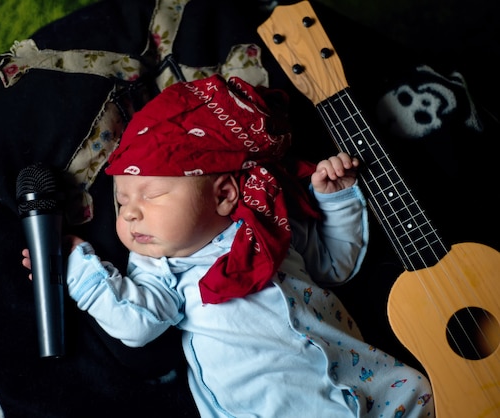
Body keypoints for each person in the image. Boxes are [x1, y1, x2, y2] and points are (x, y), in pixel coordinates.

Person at [22, 74, 434, 417]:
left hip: (367, 383)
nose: (130, 213)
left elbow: (334, 266)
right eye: (123, 200)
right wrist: (77, 266)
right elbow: (135, 325)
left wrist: (336, 199)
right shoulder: (160, 267)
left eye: (151, 194)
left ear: (223, 195)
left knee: (424, 390)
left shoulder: (271, 223)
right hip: (273, 407)